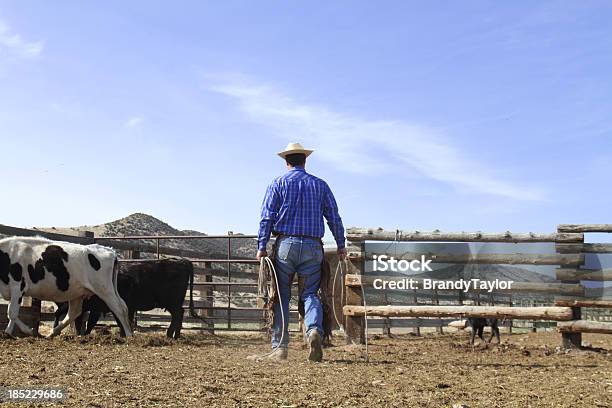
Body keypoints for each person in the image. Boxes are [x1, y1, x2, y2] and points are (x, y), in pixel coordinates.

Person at [257, 142, 346, 362]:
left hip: (285, 246)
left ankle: (280, 347)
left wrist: (261, 246)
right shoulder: (320, 185)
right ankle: (313, 331)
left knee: (281, 296)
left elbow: (267, 216)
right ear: (305, 160)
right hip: (313, 247)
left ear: (286, 162)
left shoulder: (278, 183)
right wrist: (341, 244)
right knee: (310, 294)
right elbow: (334, 217)